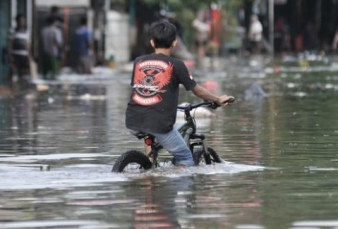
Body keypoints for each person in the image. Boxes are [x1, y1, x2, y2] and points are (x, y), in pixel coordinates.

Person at [125, 21, 234, 167]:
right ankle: (175, 187)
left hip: (133, 120)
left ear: (152, 42)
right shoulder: (176, 65)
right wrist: (218, 99)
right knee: (186, 158)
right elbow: (197, 90)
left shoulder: (138, 62)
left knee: (152, 132)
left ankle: (149, 169)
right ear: (174, 43)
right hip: (159, 123)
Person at [8, 14, 32, 87]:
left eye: (23, 21)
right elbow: (10, 44)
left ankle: (21, 87)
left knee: (23, 73)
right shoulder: (13, 31)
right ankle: (12, 87)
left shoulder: (26, 32)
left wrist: (29, 56)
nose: (22, 22)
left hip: (24, 55)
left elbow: (28, 45)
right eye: (20, 21)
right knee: (13, 72)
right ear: (17, 21)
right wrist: (10, 56)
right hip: (15, 54)